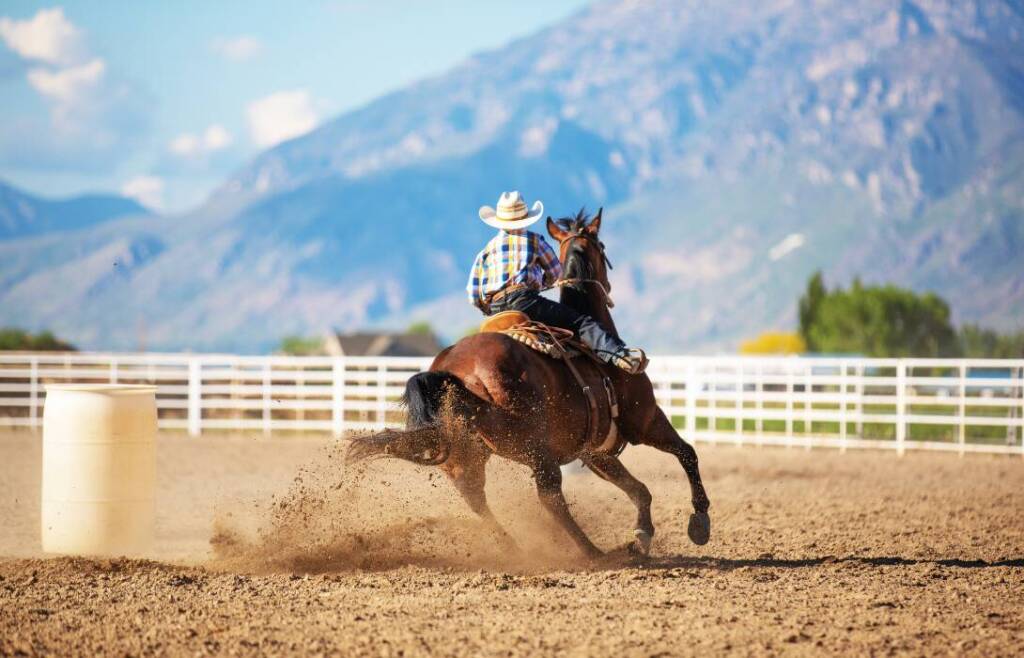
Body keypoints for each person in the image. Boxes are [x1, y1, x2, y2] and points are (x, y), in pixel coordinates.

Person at [466, 190, 647, 374]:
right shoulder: (534, 240)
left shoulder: (486, 251)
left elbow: (473, 294)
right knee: (581, 322)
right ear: (525, 218)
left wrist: (489, 308)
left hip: (496, 310)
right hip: (525, 301)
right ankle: (621, 356)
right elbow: (555, 271)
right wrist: (542, 283)